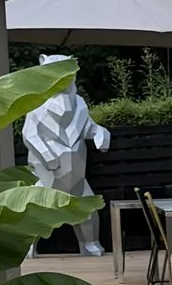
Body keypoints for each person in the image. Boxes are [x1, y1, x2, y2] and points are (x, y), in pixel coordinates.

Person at [20, 80, 109, 254]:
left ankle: (90, 244)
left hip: (76, 171)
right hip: (48, 172)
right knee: (37, 208)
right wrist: (48, 156)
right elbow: (29, 135)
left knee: (87, 208)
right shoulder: (36, 104)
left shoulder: (79, 104)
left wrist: (101, 134)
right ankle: (28, 246)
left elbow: (89, 127)